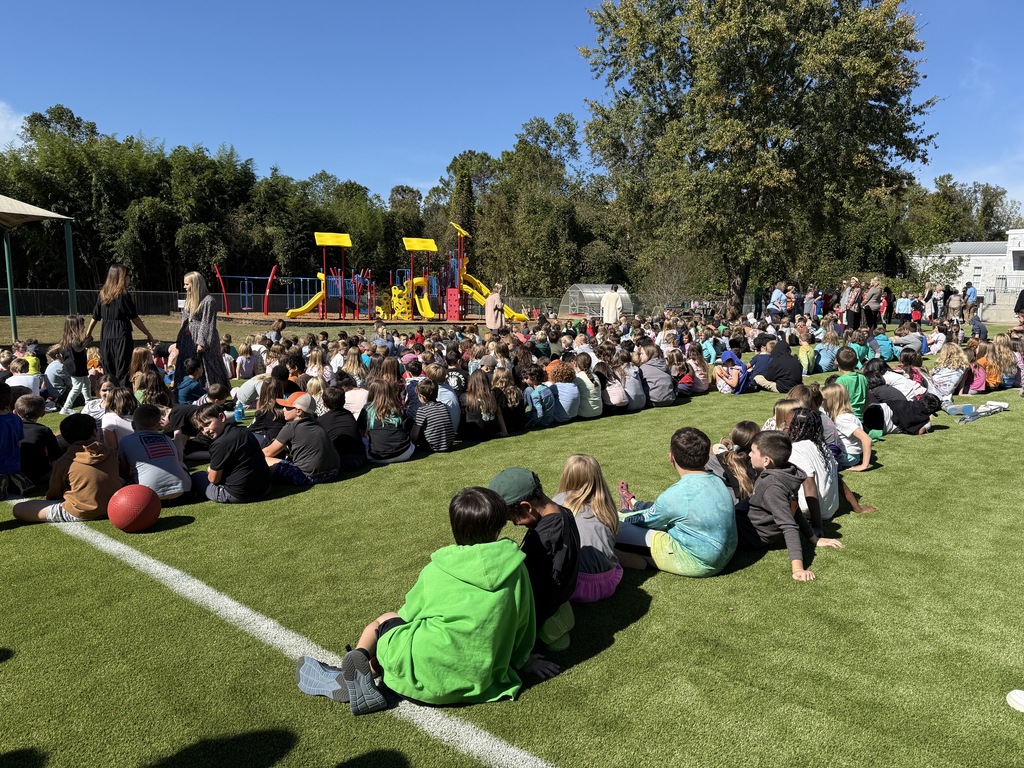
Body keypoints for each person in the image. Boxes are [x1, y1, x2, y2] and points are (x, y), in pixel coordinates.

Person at [296, 487, 554, 715]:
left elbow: (408, 615)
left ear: (456, 527)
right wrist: (525, 660)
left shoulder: (439, 568)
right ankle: (359, 673)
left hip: (419, 677)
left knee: (386, 619)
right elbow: (523, 621)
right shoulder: (515, 567)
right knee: (407, 633)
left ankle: (360, 660)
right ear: (498, 526)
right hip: (480, 681)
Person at [615, 427, 737, 577]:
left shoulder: (677, 494)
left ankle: (631, 556)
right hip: (725, 554)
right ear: (707, 457)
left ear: (671, 457)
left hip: (698, 561)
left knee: (613, 527)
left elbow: (645, 521)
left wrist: (617, 517)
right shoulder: (718, 481)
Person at [489, 467, 580, 652]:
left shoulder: (542, 542)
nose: (513, 523)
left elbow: (530, 593)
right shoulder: (563, 512)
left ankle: (548, 633)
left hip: (545, 611)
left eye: (512, 518)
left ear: (526, 507)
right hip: (563, 595)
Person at [736, 431, 844, 581]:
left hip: (749, 535)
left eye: (753, 452)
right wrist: (813, 538)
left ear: (766, 460)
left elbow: (789, 526)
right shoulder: (788, 472)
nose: (749, 455)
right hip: (751, 521)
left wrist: (798, 568)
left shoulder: (772, 486)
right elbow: (793, 508)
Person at [11, 413, 120, 523]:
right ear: (94, 433)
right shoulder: (110, 452)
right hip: (114, 505)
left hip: (81, 510)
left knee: (18, 509)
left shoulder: (65, 461)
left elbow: (54, 493)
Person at [552, 454, 622, 603]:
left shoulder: (559, 502)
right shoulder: (606, 506)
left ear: (567, 476)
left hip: (575, 585)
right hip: (608, 582)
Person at [86, 265, 156, 387]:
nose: (129, 279)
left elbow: (95, 317)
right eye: (128, 276)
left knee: (108, 368)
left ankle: (110, 394)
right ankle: (122, 398)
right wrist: (148, 334)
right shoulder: (123, 295)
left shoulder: (103, 294)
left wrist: (88, 334)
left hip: (106, 336)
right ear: (122, 278)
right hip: (121, 335)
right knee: (123, 369)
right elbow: (135, 318)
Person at [190, 403, 272, 503]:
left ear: (221, 417)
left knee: (197, 477)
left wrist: (211, 471)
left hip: (239, 494)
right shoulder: (244, 431)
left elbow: (213, 479)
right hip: (265, 488)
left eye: (207, 424)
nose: (205, 431)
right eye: (201, 429)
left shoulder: (220, 444)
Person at [118, 404, 192, 503]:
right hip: (183, 493)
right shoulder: (167, 439)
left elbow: (124, 473)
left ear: (133, 425)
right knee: (181, 464)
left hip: (148, 497)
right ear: (158, 425)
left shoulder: (125, 440)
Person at [262, 392, 340, 485]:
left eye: (287, 407)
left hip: (307, 476)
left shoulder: (291, 427)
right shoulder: (317, 423)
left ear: (298, 411)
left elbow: (268, 452)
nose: (283, 410)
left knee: (264, 459)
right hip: (333, 473)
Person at [173, 272, 229, 392]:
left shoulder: (208, 301)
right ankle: (184, 387)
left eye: (187, 284)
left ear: (195, 284)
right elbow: (184, 319)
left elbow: (207, 323)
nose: (184, 287)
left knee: (206, 363)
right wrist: (180, 338)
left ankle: (212, 390)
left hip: (203, 337)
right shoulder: (189, 299)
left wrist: (201, 342)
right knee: (188, 361)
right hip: (189, 337)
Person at [15, 394, 61, 491]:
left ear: (15, 412)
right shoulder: (43, 430)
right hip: (39, 474)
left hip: (13, 469)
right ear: (43, 413)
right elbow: (55, 456)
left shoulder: (10, 428)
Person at [317, 386, 366, 470]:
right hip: (359, 458)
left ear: (324, 404)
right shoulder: (348, 415)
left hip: (338, 461)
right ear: (344, 401)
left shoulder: (320, 421)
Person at [58, 315, 92, 414]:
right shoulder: (74, 339)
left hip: (78, 365)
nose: (84, 327)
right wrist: (87, 342)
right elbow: (78, 349)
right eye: (82, 325)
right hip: (75, 367)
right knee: (77, 387)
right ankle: (66, 407)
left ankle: (88, 402)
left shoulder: (67, 339)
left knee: (86, 383)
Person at [409, 379, 454, 453]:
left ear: (422, 397)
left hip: (432, 446)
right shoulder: (443, 406)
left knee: (410, 423)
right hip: (448, 444)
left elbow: (414, 436)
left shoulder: (422, 410)